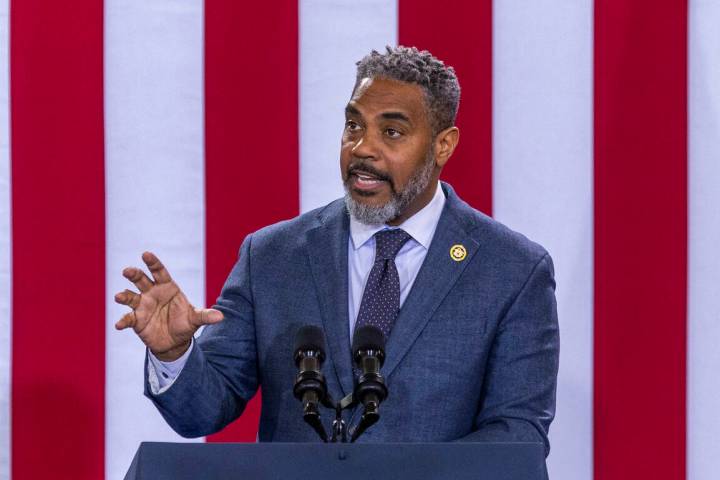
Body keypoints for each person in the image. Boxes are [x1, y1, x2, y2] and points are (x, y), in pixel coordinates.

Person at [115, 46, 559, 453]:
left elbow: (516, 441)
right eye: (353, 126)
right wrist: (174, 354)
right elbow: (202, 412)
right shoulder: (272, 257)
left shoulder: (513, 272)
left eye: (391, 131)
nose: (362, 148)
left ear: (443, 145)